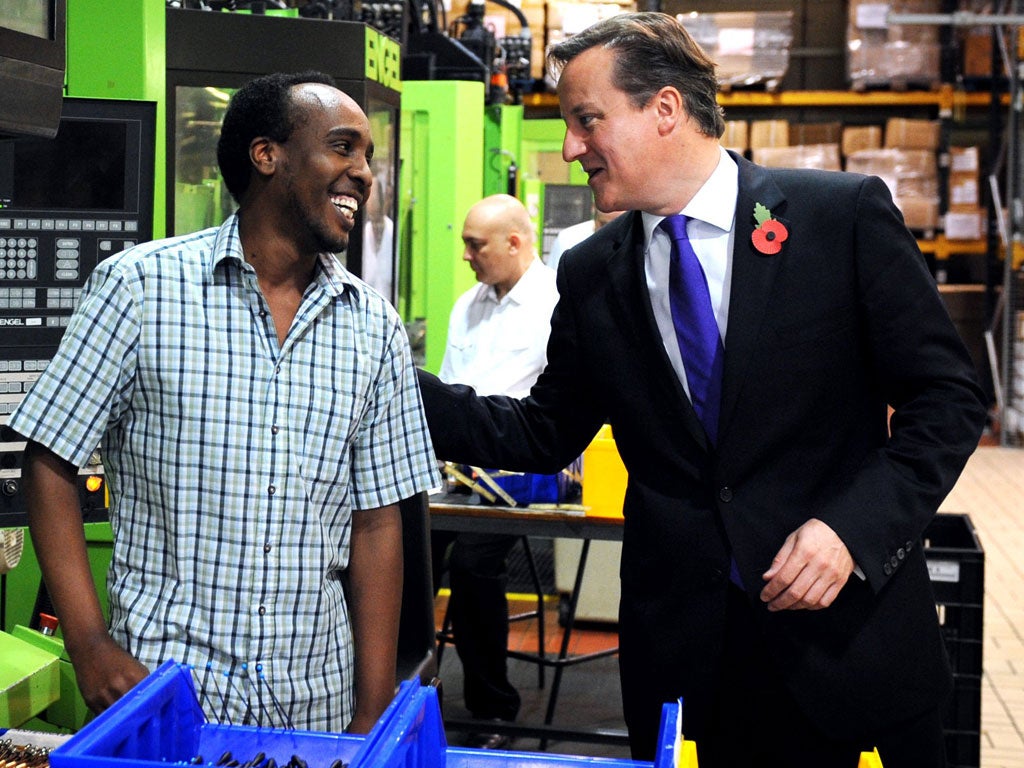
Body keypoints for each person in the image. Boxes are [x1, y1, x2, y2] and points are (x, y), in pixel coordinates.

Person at [415, 13, 988, 768]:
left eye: (587, 121)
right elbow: (543, 433)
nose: (570, 148)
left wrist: (851, 530)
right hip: (703, 656)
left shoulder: (835, 219)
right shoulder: (593, 271)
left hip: (849, 638)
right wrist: (395, 387)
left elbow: (947, 399)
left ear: (664, 110)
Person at [10, 71, 440, 735]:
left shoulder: (373, 327)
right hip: (167, 694)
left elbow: (379, 522)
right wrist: (89, 643)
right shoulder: (140, 289)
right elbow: (49, 458)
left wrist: (372, 710)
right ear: (267, 155)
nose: (362, 174)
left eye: (368, 159)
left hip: (314, 706)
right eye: (343, 148)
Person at [431, 193, 559, 748]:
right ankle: (406, 693)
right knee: (407, 550)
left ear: (514, 243)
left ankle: (492, 710)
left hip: (523, 475)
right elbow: (448, 388)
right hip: (459, 475)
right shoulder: (468, 305)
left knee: (476, 565)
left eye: (473, 244)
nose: (466, 256)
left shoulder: (559, 305)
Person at [545, 204, 624, 270]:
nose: (609, 231)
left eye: (617, 225)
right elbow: (553, 282)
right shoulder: (568, 239)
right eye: (603, 224)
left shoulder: (632, 244)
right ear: (593, 209)